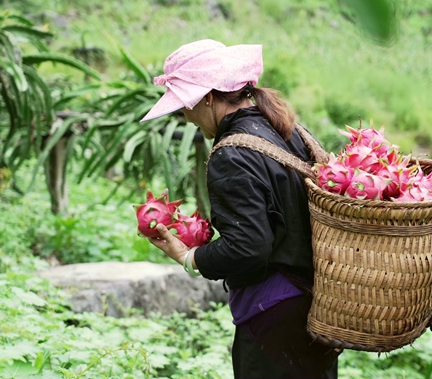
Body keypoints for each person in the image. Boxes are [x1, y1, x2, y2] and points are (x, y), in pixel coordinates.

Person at [141, 39, 340, 379]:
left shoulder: (230, 155)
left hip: (275, 320)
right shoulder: (287, 129)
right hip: (316, 310)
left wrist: (188, 257)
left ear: (206, 97)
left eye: (184, 105)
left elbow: (248, 247)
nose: (186, 117)